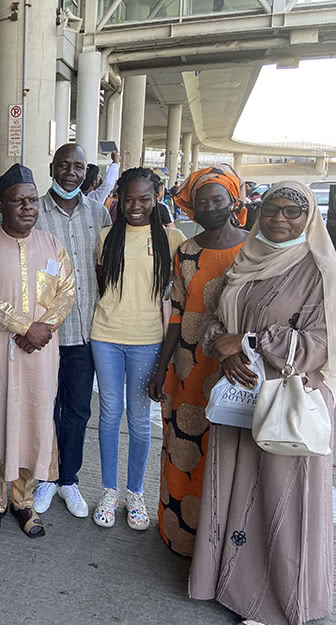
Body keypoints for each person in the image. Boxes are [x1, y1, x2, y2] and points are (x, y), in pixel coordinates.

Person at [189, 182, 335, 625]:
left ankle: (277, 599)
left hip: (287, 399)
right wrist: (225, 347)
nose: (280, 219)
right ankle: (229, 582)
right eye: (272, 208)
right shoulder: (246, 259)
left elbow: (320, 343)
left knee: (279, 497)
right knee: (236, 490)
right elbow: (217, 319)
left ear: (309, 218)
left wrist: (251, 343)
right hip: (241, 394)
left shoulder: (320, 270)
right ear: (257, 211)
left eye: (293, 212)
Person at [0, 164, 75, 539]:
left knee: (33, 419)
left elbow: (67, 292)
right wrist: (22, 326)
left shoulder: (53, 246)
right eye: (18, 201)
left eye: (32, 200)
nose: (28, 207)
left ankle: (24, 501)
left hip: (42, 352)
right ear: (1, 204)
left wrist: (43, 328)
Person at [148, 165, 247, 557]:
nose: (209, 207)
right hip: (187, 368)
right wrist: (162, 367)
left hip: (232, 368)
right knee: (182, 446)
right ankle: (180, 534)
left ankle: (221, 546)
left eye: (217, 200)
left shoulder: (252, 249)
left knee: (225, 452)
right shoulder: (185, 251)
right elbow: (176, 312)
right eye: (202, 201)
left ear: (233, 202)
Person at [91, 167, 185, 531]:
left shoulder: (172, 238)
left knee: (140, 421)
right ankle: (109, 491)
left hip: (148, 340)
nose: (135, 206)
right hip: (106, 335)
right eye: (129, 199)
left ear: (156, 197)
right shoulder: (105, 237)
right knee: (110, 416)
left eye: (144, 199)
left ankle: (135, 493)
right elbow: (102, 283)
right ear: (119, 197)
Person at [32, 143, 112, 517]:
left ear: (86, 172)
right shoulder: (34, 214)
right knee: (44, 407)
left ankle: (68, 479)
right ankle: (45, 478)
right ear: (52, 168)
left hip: (85, 333)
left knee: (78, 410)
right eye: (63, 165)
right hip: (44, 333)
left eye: (77, 167)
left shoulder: (100, 214)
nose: (70, 172)